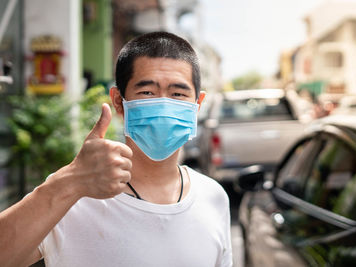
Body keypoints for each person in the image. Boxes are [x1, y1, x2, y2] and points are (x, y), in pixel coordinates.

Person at [0, 31, 232, 267]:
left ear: (197, 105)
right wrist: (69, 182)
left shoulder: (214, 197)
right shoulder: (72, 195)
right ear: (119, 102)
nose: (163, 104)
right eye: (147, 92)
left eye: (178, 94)